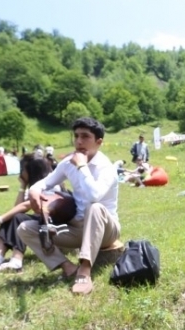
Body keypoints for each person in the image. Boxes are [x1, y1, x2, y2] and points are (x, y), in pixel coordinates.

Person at [17, 117, 120, 295]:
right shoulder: (68, 163)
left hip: (105, 229)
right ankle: (66, 266)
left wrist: (82, 166)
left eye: (85, 136)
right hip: (76, 229)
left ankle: (84, 271)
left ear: (99, 142)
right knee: (25, 228)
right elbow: (46, 182)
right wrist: (34, 190)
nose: (79, 141)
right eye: (76, 136)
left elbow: (93, 196)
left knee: (94, 207)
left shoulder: (106, 167)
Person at [0, 153, 53, 273]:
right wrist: (23, 186)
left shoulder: (51, 183)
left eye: (23, 169)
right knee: (13, 216)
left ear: (32, 171)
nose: (21, 173)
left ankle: (16, 262)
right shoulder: (34, 187)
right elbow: (17, 207)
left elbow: (26, 206)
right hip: (42, 220)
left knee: (18, 218)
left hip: (54, 223)